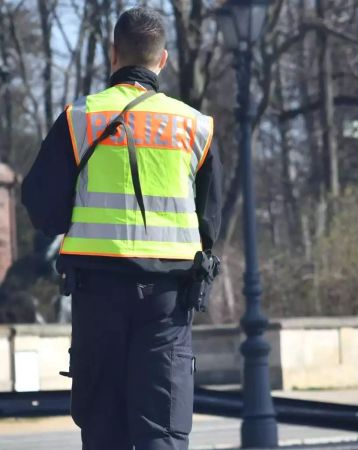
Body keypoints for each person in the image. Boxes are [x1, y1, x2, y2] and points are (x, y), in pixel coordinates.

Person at [21, 7, 221, 450]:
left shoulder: (79, 118)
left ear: (114, 54)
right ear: (163, 60)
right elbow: (210, 224)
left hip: (97, 294)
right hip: (169, 302)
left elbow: (42, 209)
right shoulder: (195, 126)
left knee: (103, 430)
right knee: (162, 432)